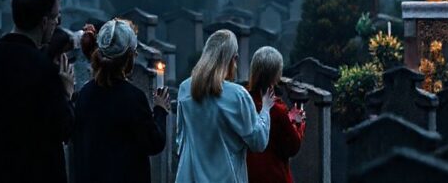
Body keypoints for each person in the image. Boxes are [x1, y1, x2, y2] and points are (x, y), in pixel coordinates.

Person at [0, 0, 75, 183]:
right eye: (56, 17)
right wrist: (66, 93)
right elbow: (63, 129)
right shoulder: (45, 71)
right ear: (44, 22)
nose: (57, 22)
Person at [71, 18, 170, 183]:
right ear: (130, 57)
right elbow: (154, 142)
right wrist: (160, 110)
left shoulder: (85, 95)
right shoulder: (134, 98)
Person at [175, 30, 274, 183]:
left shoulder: (184, 89)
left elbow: (180, 140)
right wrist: (265, 110)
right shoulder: (237, 95)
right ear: (233, 59)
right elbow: (258, 141)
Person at [246, 46, 306, 183]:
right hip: (274, 175)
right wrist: (298, 123)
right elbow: (293, 146)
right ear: (275, 75)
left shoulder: (245, 100)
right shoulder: (277, 109)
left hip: (249, 174)